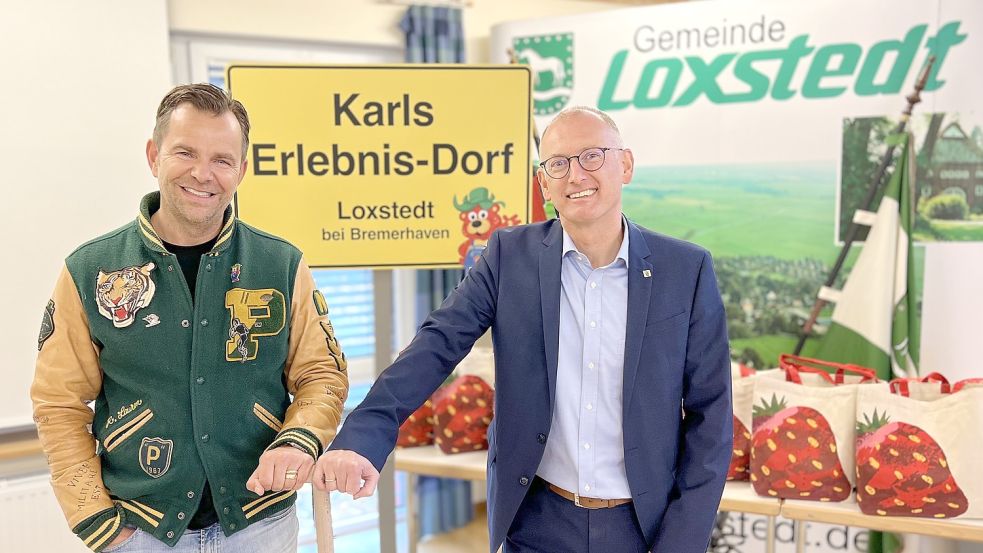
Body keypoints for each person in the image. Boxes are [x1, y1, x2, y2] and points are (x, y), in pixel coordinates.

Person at [315, 106, 732, 552]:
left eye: (592, 156)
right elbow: (436, 345)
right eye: (558, 163)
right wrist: (364, 433)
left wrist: (681, 543)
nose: (576, 175)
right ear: (544, 183)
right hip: (535, 522)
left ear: (625, 164)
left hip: (644, 526)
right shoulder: (508, 256)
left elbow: (711, 417)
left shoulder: (685, 270)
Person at [31, 83, 349, 553]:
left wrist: (299, 440)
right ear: (153, 155)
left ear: (241, 170)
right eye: (185, 152)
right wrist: (95, 519)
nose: (203, 174)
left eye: (222, 160)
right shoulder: (89, 270)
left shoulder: (280, 263)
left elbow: (321, 374)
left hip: (260, 526)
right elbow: (59, 405)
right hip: (140, 531)